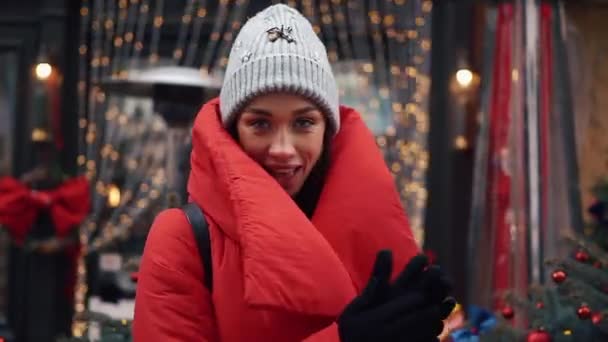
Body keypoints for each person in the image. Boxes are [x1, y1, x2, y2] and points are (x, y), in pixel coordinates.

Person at [134, 3, 454, 341]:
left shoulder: (365, 235)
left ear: (327, 129)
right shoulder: (183, 239)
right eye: (260, 123)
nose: (283, 148)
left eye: (304, 122)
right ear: (232, 130)